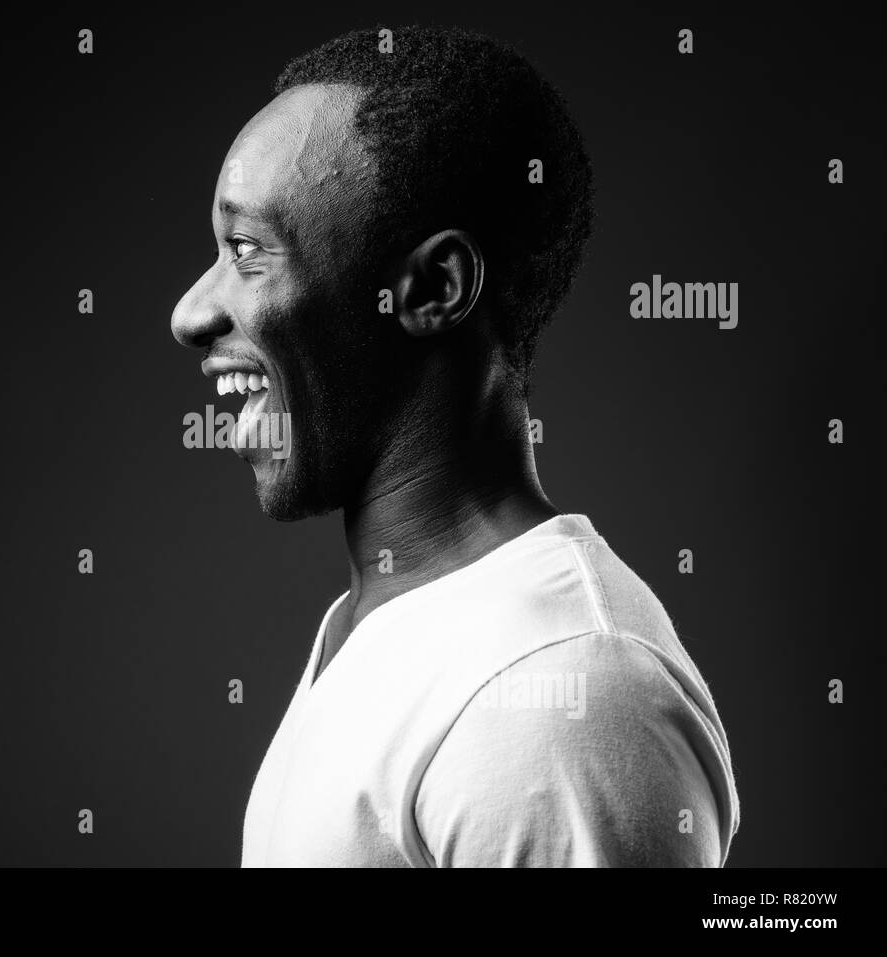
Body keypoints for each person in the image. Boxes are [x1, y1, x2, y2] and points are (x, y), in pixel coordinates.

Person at [170, 24, 739, 867]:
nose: (189, 313)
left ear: (434, 287)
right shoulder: (395, 625)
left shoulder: (555, 694)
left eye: (249, 250)